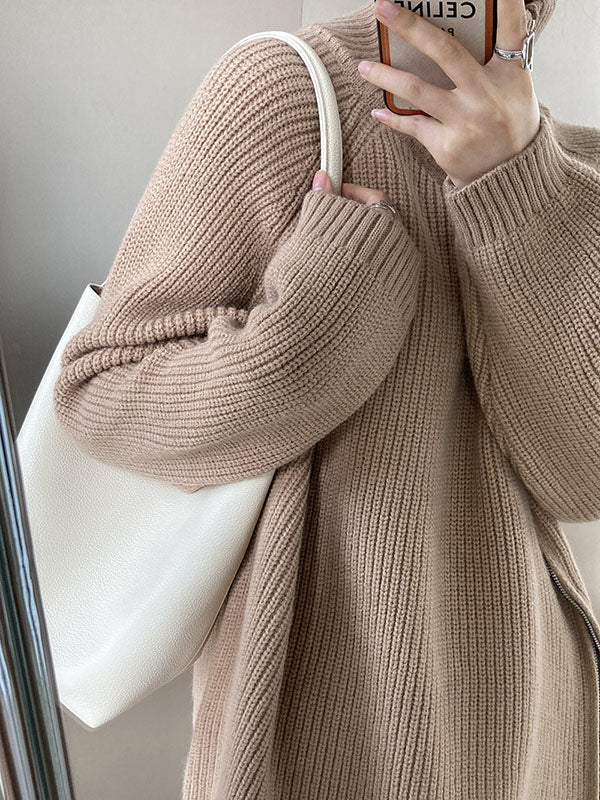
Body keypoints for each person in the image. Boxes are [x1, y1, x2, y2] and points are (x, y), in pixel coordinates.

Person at [53, 0, 600, 797]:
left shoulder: (573, 167)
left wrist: (517, 185)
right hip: (327, 738)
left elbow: (582, 480)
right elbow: (97, 394)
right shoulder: (284, 93)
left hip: (533, 733)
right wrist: (315, 326)